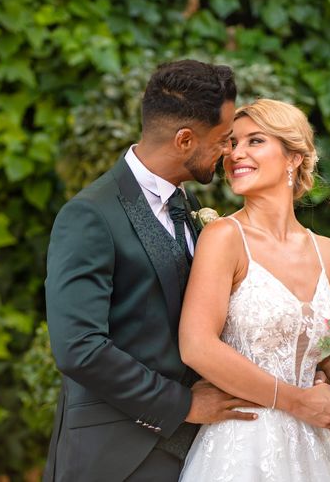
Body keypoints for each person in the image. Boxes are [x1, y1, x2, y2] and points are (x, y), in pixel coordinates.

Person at [43, 60, 257, 482]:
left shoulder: (192, 210)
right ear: (184, 140)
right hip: (115, 457)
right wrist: (182, 405)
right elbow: (78, 346)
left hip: (199, 454)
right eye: (222, 140)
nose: (230, 152)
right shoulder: (89, 215)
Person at [178, 99, 330, 481]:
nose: (235, 154)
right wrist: (296, 401)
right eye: (232, 143)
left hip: (315, 449)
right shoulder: (224, 238)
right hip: (242, 444)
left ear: (293, 157)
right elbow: (197, 345)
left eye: (255, 141)